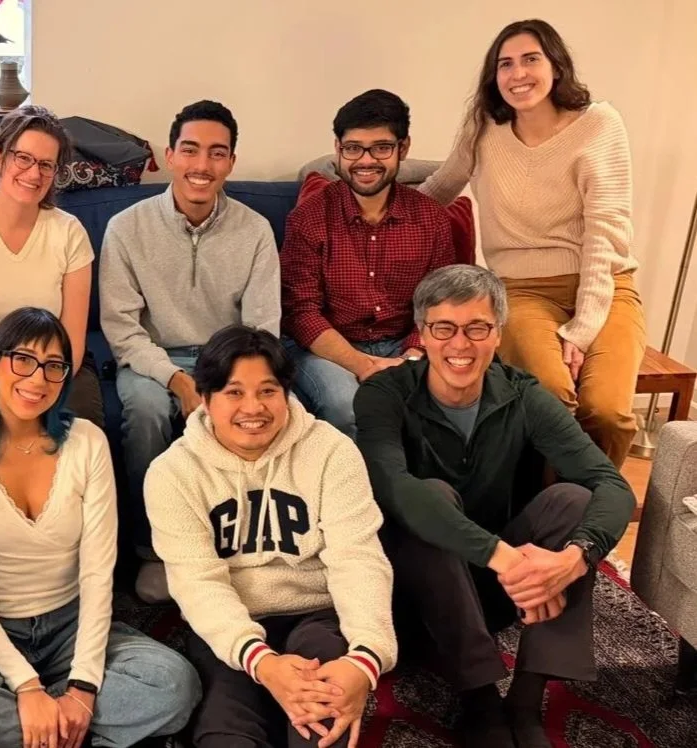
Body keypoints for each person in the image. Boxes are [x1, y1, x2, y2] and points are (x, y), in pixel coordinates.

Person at [354, 265, 636, 748]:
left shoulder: (524, 395)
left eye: (477, 328)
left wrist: (574, 558)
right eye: (443, 328)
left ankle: (526, 698)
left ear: (498, 334)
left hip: (502, 590)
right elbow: (396, 490)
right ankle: (480, 696)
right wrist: (506, 558)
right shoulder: (384, 395)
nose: (459, 344)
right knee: (430, 495)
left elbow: (612, 486)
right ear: (422, 334)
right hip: (416, 595)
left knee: (574, 500)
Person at [0, 307, 199, 748]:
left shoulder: (88, 442)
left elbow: (97, 573)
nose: (37, 380)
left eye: (53, 366)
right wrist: (26, 686)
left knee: (174, 684)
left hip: (73, 626)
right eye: (23, 360)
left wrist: (84, 688)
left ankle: (40, 730)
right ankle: (72, 730)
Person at [146, 325, 395, 748]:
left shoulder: (331, 451)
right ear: (204, 400)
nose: (253, 408)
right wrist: (261, 662)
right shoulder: (172, 473)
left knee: (321, 718)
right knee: (226, 737)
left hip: (316, 612)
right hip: (232, 625)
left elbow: (358, 558)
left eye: (267, 391)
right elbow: (197, 583)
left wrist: (365, 659)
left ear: (286, 394)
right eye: (233, 392)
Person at [419, 18, 644, 467]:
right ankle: (545, 518)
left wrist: (582, 328)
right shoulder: (484, 126)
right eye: (505, 64)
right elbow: (442, 186)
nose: (517, 73)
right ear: (494, 76)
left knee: (609, 411)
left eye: (530, 59)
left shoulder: (599, 124)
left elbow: (605, 232)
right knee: (551, 397)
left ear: (555, 66)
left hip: (606, 286)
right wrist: (374, 204)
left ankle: (594, 518)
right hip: (521, 290)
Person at [98, 99, 281, 603]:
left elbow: (263, 327)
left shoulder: (255, 230)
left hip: (229, 359)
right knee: (146, 410)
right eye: (191, 150)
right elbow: (122, 328)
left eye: (217, 154)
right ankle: (153, 550)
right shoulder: (127, 228)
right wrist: (177, 381)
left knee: (261, 409)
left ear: (231, 163)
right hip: (153, 358)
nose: (203, 166)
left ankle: (246, 546)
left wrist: (228, 385)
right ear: (171, 155)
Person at [281, 89, 457, 438]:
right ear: (338, 149)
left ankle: (423, 491)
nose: (365, 160)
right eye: (353, 148)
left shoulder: (431, 219)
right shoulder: (309, 218)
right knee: (349, 406)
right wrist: (363, 365)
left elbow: (440, 306)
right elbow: (301, 312)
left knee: (445, 399)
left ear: (402, 149)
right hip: (328, 349)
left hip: (404, 345)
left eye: (381, 148)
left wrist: (409, 359)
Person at [0, 105, 105, 427]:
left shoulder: (69, 232)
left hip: (53, 358)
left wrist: (44, 386)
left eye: (46, 164)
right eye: (22, 158)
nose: (34, 173)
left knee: (79, 424)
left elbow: (74, 341)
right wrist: (3, 391)